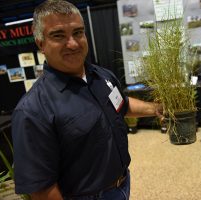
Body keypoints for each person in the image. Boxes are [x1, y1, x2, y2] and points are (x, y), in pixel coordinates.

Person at [11, 1, 162, 200]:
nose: (72, 43)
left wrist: (158, 109)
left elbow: (121, 104)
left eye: (78, 33)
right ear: (41, 44)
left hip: (123, 184)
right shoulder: (33, 110)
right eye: (58, 35)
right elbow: (42, 189)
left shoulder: (102, 76)